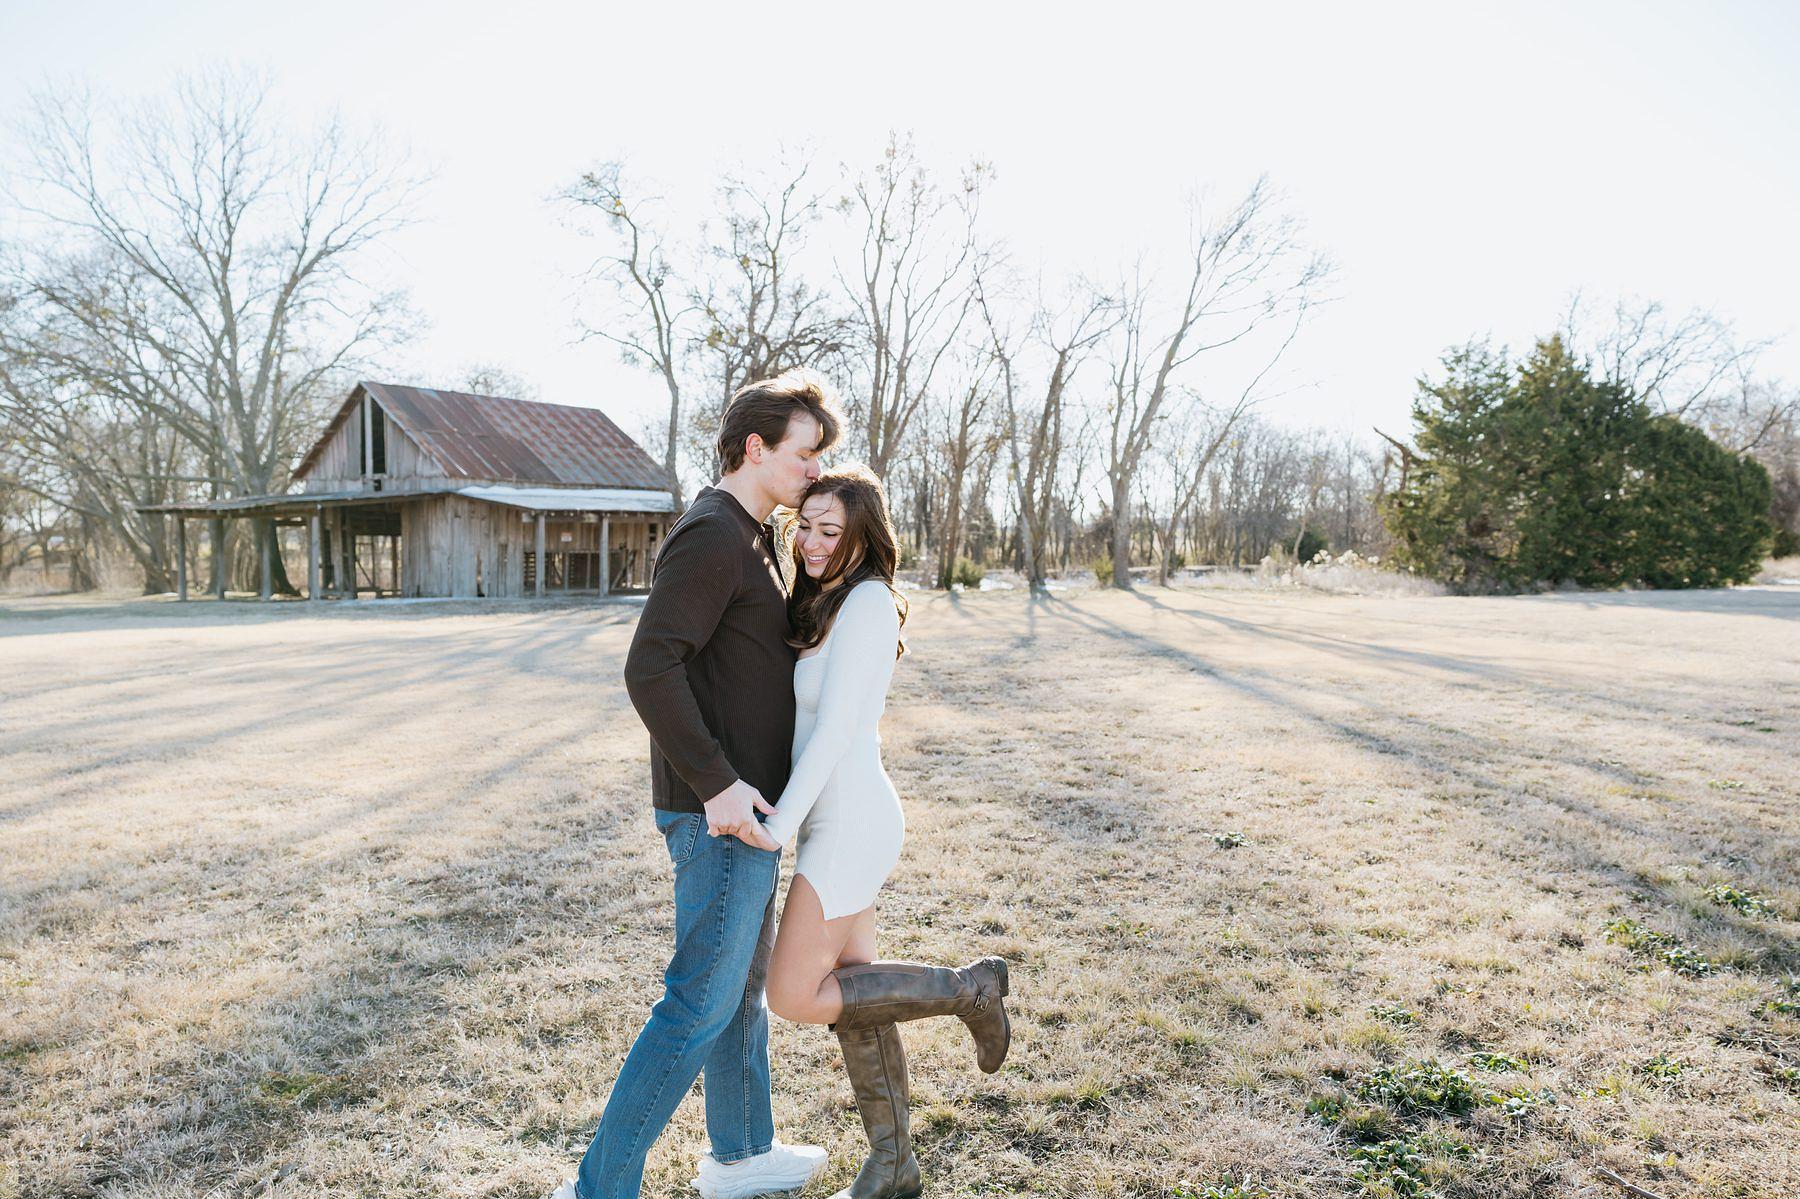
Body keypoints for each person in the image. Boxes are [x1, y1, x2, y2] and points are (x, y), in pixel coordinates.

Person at [550, 370, 842, 1199]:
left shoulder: (752, 535)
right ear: (756, 447)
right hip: (719, 815)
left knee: (737, 996)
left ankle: (742, 1154)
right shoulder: (713, 532)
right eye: (805, 454)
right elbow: (650, 665)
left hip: (753, 811)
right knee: (696, 1006)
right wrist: (716, 785)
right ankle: (599, 1189)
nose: (815, 470)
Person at [757, 464, 1012, 1199]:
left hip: (849, 821)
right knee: (859, 993)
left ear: (861, 537)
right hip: (834, 820)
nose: (810, 540)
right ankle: (894, 1164)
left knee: (793, 992)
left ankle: (972, 990)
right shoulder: (827, 603)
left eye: (830, 530)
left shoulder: (867, 600)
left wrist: (780, 825)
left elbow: (836, 731)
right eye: (804, 525)